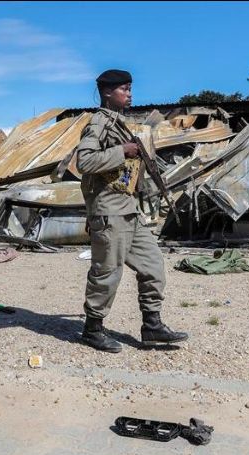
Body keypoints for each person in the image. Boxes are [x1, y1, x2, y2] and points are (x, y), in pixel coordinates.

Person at [75, 68, 189, 353]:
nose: (130, 94)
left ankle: (152, 325)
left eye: (129, 89)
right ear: (107, 93)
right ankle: (92, 329)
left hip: (129, 210)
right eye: (124, 89)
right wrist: (121, 151)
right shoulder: (98, 123)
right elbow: (84, 162)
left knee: (153, 265)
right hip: (109, 212)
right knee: (107, 272)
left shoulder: (120, 124)